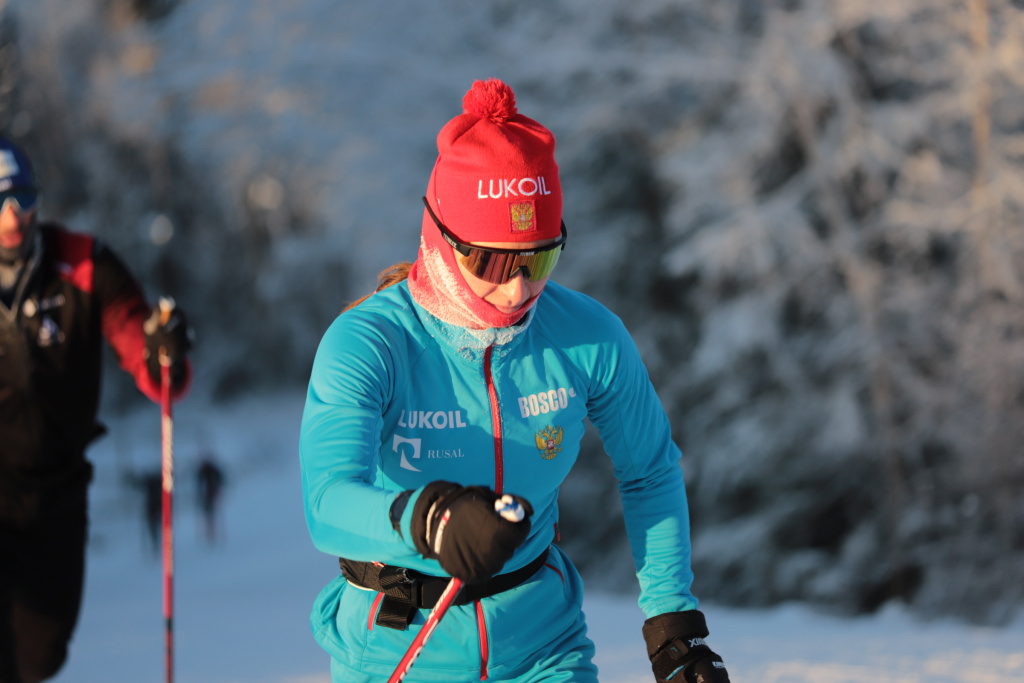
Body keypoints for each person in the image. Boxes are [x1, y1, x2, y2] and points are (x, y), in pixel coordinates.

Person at [299, 79, 730, 683]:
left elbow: (649, 469)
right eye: (494, 261)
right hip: (398, 645)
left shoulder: (587, 335)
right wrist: (431, 518)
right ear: (442, 238)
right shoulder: (370, 342)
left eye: (539, 259)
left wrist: (672, 625)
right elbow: (326, 503)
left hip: (542, 649)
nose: (517, 289)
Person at [0, 136, 193, 683]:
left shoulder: (84, 264)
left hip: (58, 497)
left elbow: (141, 342)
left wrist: (164, 354)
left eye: (21, 196)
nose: (12, 216)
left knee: (39, 658)